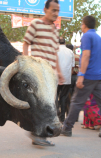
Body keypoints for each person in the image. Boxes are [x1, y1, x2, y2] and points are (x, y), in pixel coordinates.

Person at [61, 15, 101, 140]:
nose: (81, 26)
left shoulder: (86, 36)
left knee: (76, 101)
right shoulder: (100, 39)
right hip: (98, 77)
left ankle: (67, 128)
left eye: (81, 24)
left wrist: (81, 75)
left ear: (84, 25)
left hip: (88, 75)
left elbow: (85, 55)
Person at [23, 0, 63, 146]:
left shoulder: (55, 29)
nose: (56, 13)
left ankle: (40, 134)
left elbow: (55, 53)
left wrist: (58, 71)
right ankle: (38, 134)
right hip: (39, 73)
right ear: (45, 9)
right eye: (53, 10)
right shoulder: (35, 24)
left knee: (50, 105)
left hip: (51, 75)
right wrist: (27, 64)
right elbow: (26, 43)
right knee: (42, 105)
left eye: (57, 10)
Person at [57, 38, 75, 123]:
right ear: (64, 43)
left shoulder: (54, 50)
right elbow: (72, 67)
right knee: (63, 98)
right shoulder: (70, 52)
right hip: (67, 79)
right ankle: (62, 118)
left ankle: (55, 115)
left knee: (54, 97)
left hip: (56, 78)